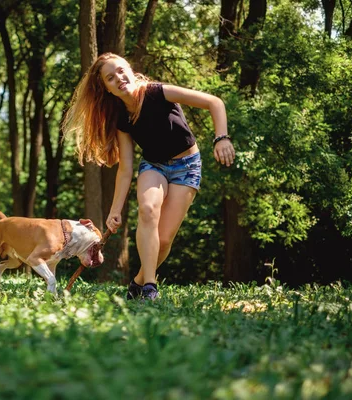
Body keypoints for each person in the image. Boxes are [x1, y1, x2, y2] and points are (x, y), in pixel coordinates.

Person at [62, 53, 235, 301]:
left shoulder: (157, 92)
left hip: (187, 167)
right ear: (107, 89)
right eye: (110, 78)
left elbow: (214, 102)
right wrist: (115, 210)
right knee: (147, 208)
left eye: (121, 71)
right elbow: (126, 167)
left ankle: (138, 281)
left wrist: (222, 138)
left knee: (163, 240)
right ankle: (150, 287)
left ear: (130, 70)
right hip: (154, 166)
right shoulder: (122, 117)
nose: (119, 78)